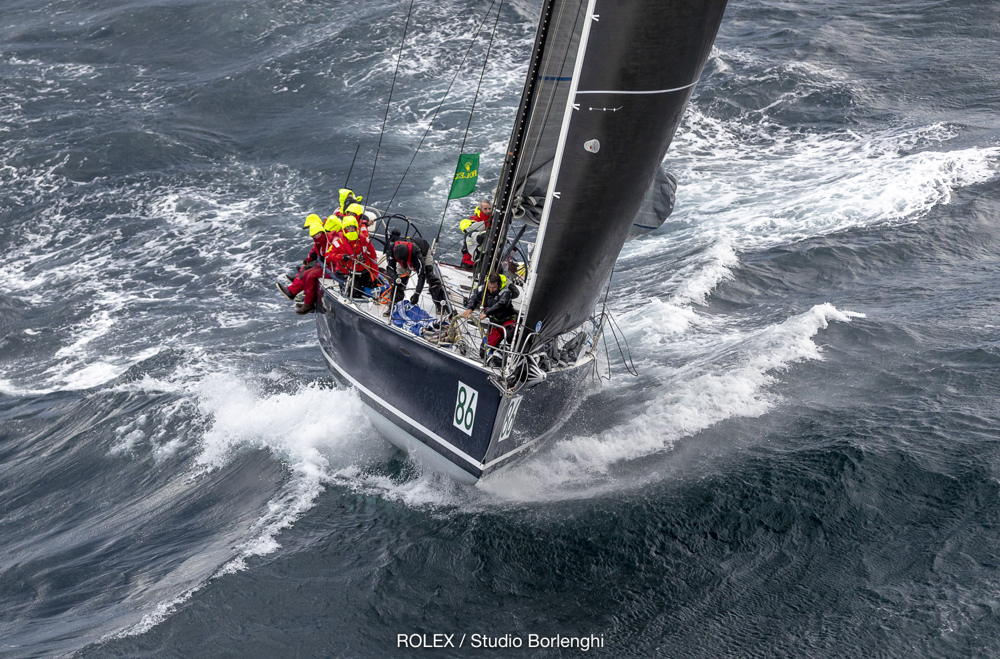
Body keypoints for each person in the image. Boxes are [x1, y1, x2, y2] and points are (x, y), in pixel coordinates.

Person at [278, 215, 335, 302]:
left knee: (308, 269)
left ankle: (295, 290)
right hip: (326, 261)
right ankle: (297, 280)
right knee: (308, 268)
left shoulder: (323, 234)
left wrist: (307, 260)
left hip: (330, 265)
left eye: (309, 227)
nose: (309, 229)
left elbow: (315, 251)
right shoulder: (322, 233)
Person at [388, 236, 446, 312]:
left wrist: (417, 293)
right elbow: (390, 267)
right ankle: (394, 306)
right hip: (403, 257)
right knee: (399, 281)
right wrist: (394, 277)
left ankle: (440, 305)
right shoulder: (392, 249)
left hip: (423, 252)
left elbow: (421, 275)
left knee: (430, 276)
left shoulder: (415, 252)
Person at [462, 273, 518, 351]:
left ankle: (516, 350)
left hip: (507, 321)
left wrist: (487, 313)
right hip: (494, 324)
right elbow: (474, 297)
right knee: (484, 351)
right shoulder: (482, 289)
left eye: (494, 288)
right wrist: (470, 308)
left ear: (499, 284)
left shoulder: (505, 292)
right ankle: (496, 352)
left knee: (510, 334)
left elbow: (502, 304)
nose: (491, 290)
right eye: (489, 287)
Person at [326, 216, 379, 296]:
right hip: (347, 272)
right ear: (344, 229)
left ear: (356, 228)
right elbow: (328, 256)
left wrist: (375, 276)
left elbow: (373, 257)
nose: (350, 230)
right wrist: (341, 256)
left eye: (352, 228)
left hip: (363, 270)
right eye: (348, 228)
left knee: (373, 285)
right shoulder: (339, 242)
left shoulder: (364, 240)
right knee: (355, 292)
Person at [459, 198, 493, 269]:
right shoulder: (474, 221)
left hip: (486, 262)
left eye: (489, 209)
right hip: (469, 261)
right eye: (485, 209)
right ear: (480, 209)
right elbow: (468, 230)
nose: (488, 211)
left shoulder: (494, 221)